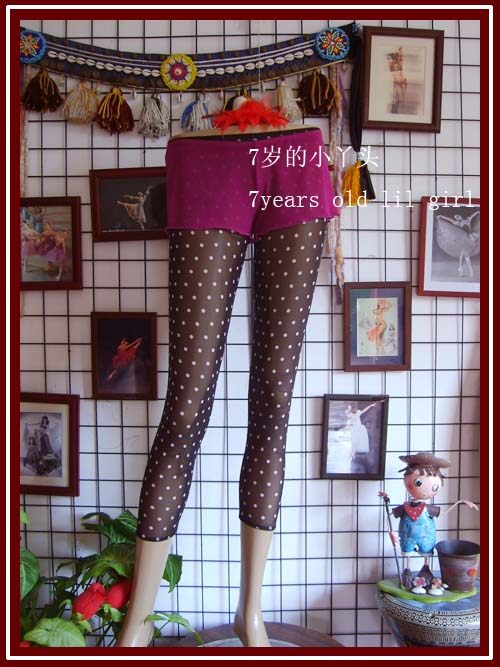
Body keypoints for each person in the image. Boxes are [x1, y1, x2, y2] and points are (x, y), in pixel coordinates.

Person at [116, 96, 338, 648]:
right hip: (208, 165)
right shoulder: (196, 147)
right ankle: (138, 620)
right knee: (186, 406)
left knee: (274, 401)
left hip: (296, 163)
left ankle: (250, 612)